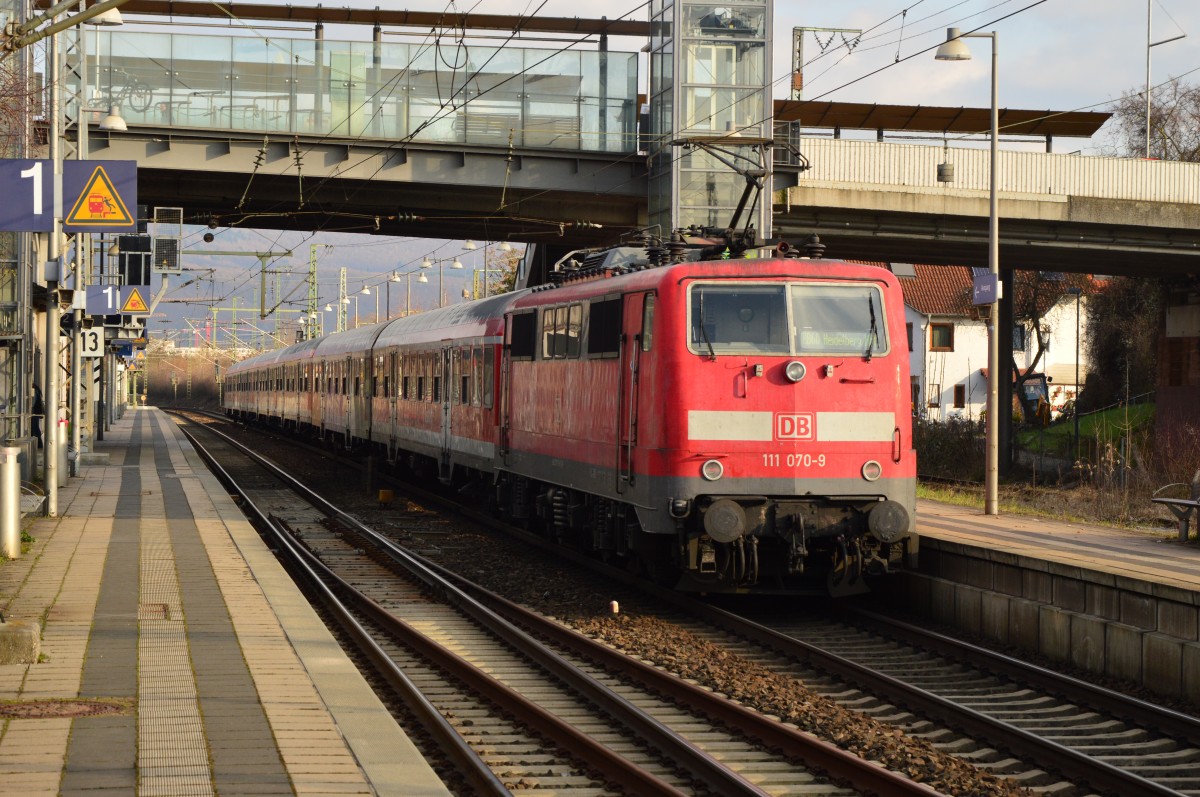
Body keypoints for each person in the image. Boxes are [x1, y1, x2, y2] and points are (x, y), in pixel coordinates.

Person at [31, 384, 44, 449]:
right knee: (36, 428)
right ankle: (39, 445)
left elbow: (33, 403)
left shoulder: (35, 391)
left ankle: (38, 445)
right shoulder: (38, 391)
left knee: (34, 429)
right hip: (37, 413)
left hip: (34, 413)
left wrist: (30, 409)